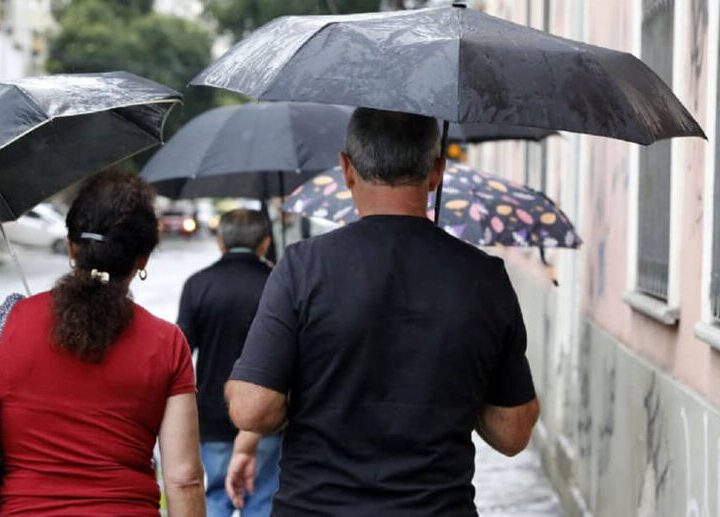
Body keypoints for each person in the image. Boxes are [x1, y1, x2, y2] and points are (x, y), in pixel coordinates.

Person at [223, 107, 540, 516]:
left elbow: (252, 408)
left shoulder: (303, 266)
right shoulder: (484, 277)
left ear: (347, 168)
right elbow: (513, 432)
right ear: (437, 171)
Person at [0, 170, 205, 516]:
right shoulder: (167, 343)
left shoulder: (8, 325)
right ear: (143, 260)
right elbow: (184, 478)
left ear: (71, 247)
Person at [177, 209, 280, 517]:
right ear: (264, 243)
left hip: (211, 411)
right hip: (265, 414)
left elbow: (181, 352)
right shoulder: (277, 284)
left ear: (220, 241)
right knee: (261, 496)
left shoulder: (198, 284)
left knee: (218, 494)